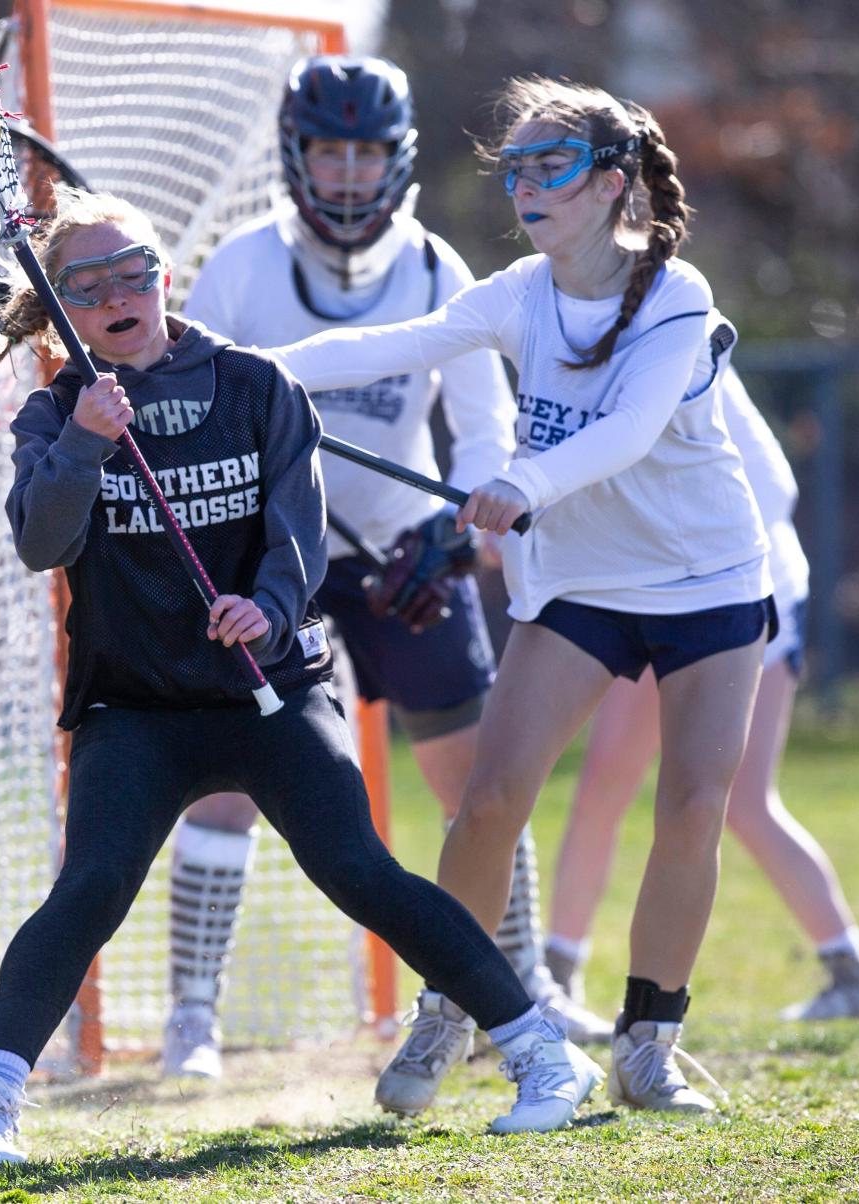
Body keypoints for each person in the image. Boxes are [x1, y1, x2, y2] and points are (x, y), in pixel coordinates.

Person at [0, 185, 605, 1167]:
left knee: (360, 871)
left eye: (136, 271)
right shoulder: (55, 412)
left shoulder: (256, 385)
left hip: (269, 690)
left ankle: (541, 1054)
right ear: (65, 308)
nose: (121, 292)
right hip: (136, 709)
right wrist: (84, 441)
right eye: (91, 283)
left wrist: (268, 609)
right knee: (91, 887)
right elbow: (43, 541)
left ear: (166, 278)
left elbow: (298, 534)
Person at [269, 75, 779, 1117]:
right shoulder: (515, 290)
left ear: (613, 181)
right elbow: (384, 346)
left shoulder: (678, 299)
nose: (527, 186)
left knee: (692, 804)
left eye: (552, 166)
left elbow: (628, 429)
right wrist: (226, 366)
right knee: (492, 798)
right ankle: (452, 1011)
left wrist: (522, 482)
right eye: (516, 169)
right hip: (582, 585)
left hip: (708, 582)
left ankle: (648, 1045)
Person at [160, 54, 611, 1087]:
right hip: (273, 557)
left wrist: (458, 531)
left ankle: (523, 983)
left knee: (482, 785)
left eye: (367, 152)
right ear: (298, 155)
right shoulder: (242, 268)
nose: (351, 173)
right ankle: (193, 1014)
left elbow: (482, 423)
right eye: (332, 150)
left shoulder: (437, 269)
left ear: (396, 159)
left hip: (406, 551)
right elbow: (206, 416)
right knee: (225, 781)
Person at [544, 365, 859, 1022]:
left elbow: (775, 490)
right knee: (603, 784)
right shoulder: (582, 342)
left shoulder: (678, 336)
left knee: (742, 802)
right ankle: (556, 978)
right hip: (660, 587)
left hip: (738, 593)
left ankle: (851, 974)